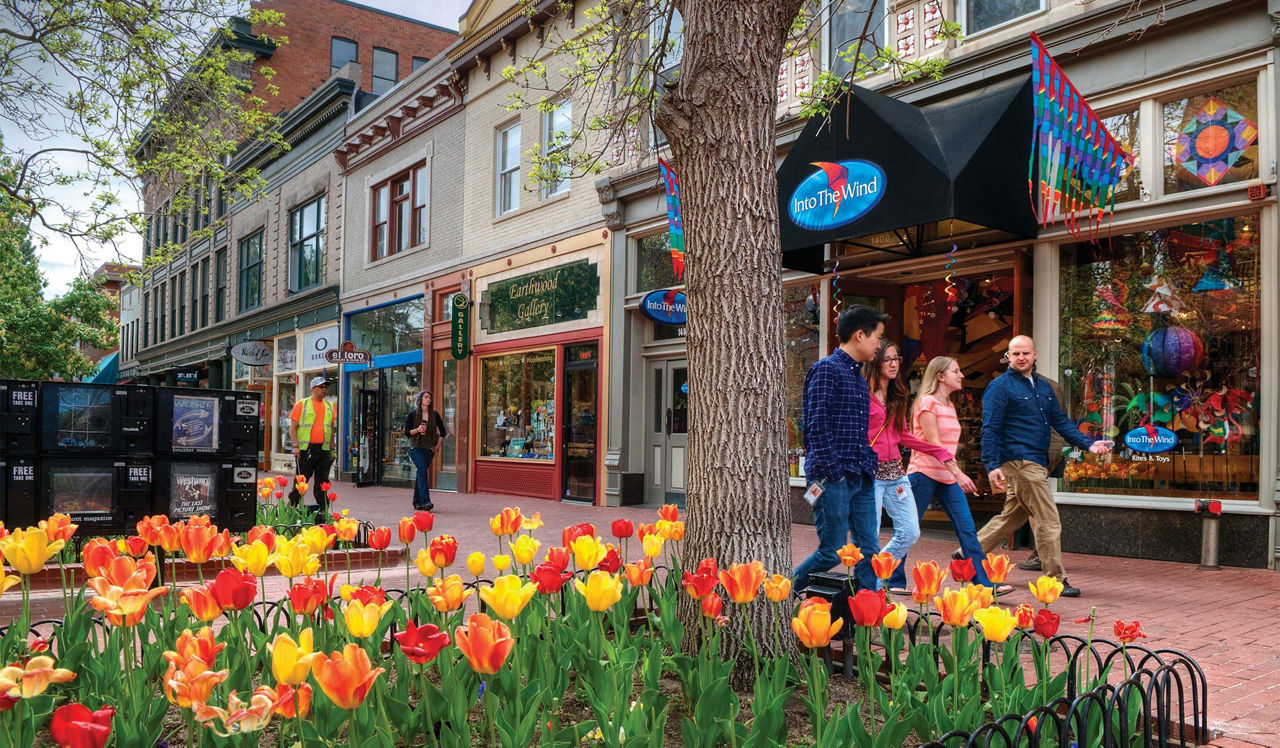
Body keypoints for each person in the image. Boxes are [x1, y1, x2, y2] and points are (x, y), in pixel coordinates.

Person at [975, 335, 1112, 597]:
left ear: (1035, 354)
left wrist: (1088, 444)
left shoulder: (1043, 387)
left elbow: (1061, 422)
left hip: (1037, 460)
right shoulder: (999, 387)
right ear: (1009, 356)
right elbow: (989, 429)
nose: (1021, 358)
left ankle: (966, 553)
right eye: (1015, 354)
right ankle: (1055, 580)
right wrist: (991, 465)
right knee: (1048, 520)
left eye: (1025, 353)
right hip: (1017, 461)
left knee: (1011, 518)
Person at [885, 356, 1013, 594]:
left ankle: (984, 584)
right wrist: (960, 474)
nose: (961, 375)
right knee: (908, 530)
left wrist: (954, 475)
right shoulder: (926, 403)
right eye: (956, 371)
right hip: (923, 474)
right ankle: (892, 580)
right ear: (940, 376)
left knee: (967, 529)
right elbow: (935, 446)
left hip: (946, 478)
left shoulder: (949, 405)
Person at [865, 342, 978, 593]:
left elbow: (904, 436)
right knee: (869, 536)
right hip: (872, 475)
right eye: (888, 360)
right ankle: (871, 591)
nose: (894, 364)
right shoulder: (862, 395)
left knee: (909, 532)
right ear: (875, 363)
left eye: (897, 359)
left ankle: (879, 571)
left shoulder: (897, 395)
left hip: (896, 475)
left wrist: (939, 451)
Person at [793, 304, 887, 593]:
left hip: (860, 476)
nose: (879, 345)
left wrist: (868, 464)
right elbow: (815, 427)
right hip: (829, 478)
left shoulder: (859, 379)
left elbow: (859, 432)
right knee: (832, 552)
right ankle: (780, 596)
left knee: (869, 551)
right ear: (860, 335)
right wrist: (834, 474)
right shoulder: (826, 370)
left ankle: (866, 615)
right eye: (877, 338)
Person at [289, 376, 336, 513]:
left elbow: (331, 429)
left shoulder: (328, 406)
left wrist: (332, 449)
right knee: (301, 482)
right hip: (306, 450)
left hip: (323, 450)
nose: (324, 390)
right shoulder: (302, 404)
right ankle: (292, 508)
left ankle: (323, 510)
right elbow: (293, 427)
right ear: (313, 389)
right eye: (321, 387)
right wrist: (295, 446)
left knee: (323, 481)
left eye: (325, 387)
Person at [405, 390, 447, 511]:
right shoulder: (413, 414)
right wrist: (417, 430)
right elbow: (407, 432)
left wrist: (437, 447)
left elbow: (443, 432)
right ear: (420, 400)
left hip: (429, 449)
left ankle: (416, 502)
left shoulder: (435, 415)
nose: (428, 399)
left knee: (421, 473)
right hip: (415, 447)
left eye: (430, 397)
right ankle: (426, 502)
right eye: (425, 397)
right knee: (423, 470)